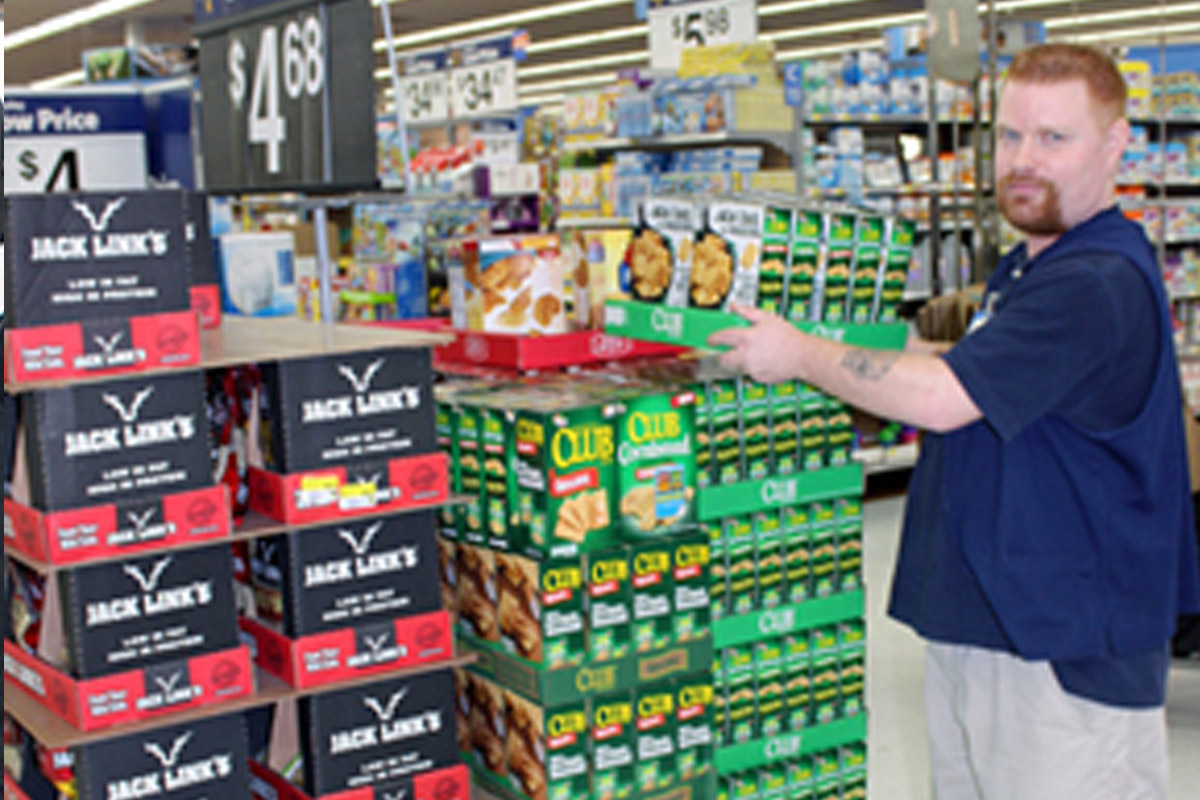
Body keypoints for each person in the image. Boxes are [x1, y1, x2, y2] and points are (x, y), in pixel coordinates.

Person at [711, 43, 1200, 800]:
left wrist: (802, 354)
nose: (1023, 160)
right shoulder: (1035, 263)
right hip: (994, 626)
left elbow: (945, 397)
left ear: (1115, 146)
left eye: (1053, 138)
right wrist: (888, 348)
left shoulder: (1095, 280)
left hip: (1059, 654)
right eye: (1009, 136)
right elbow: (990, 372)